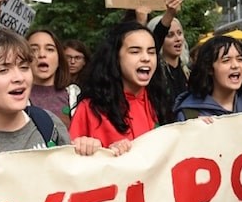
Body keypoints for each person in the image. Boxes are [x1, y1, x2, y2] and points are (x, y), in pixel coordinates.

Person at [0, 29, 101, 171]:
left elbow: (72, 180)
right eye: (3, 70)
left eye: (24, 67)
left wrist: (92, 153)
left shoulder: (48, 123)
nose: (19, 78)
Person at [69, 21, 173, 154]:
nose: (146, 58)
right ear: (116, 57)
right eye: (135, 52)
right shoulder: (90, 109)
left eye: (151, 52)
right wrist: (100, 151)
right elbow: (71, 165)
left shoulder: (160, 102)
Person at [173, 36, 242, 119]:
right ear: (209, 68)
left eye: (240, 59)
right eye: (226, 60)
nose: (235, 65)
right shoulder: (190, 115)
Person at [26, 29, 80, 128]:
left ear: (59, 58)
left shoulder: (75, 96)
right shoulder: (15, 97)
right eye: (33, 50)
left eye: (49, 49)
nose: (42, 55)